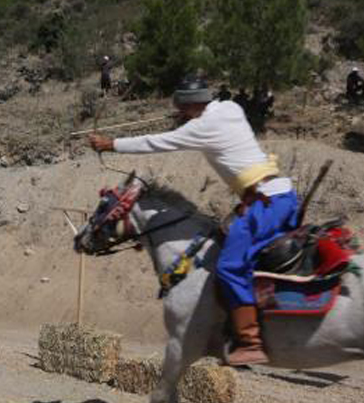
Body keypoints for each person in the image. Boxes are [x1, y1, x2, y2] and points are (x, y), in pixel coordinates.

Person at [88, 76, 300, 366]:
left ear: (189, 105)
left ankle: (250, 340)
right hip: (280, 195)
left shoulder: (201, 127)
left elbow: (157, 142)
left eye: (182, 107)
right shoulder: (231, 108)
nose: (181, 112)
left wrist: (111, 144)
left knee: (228, 266)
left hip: (265, 202)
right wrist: (189, 115)